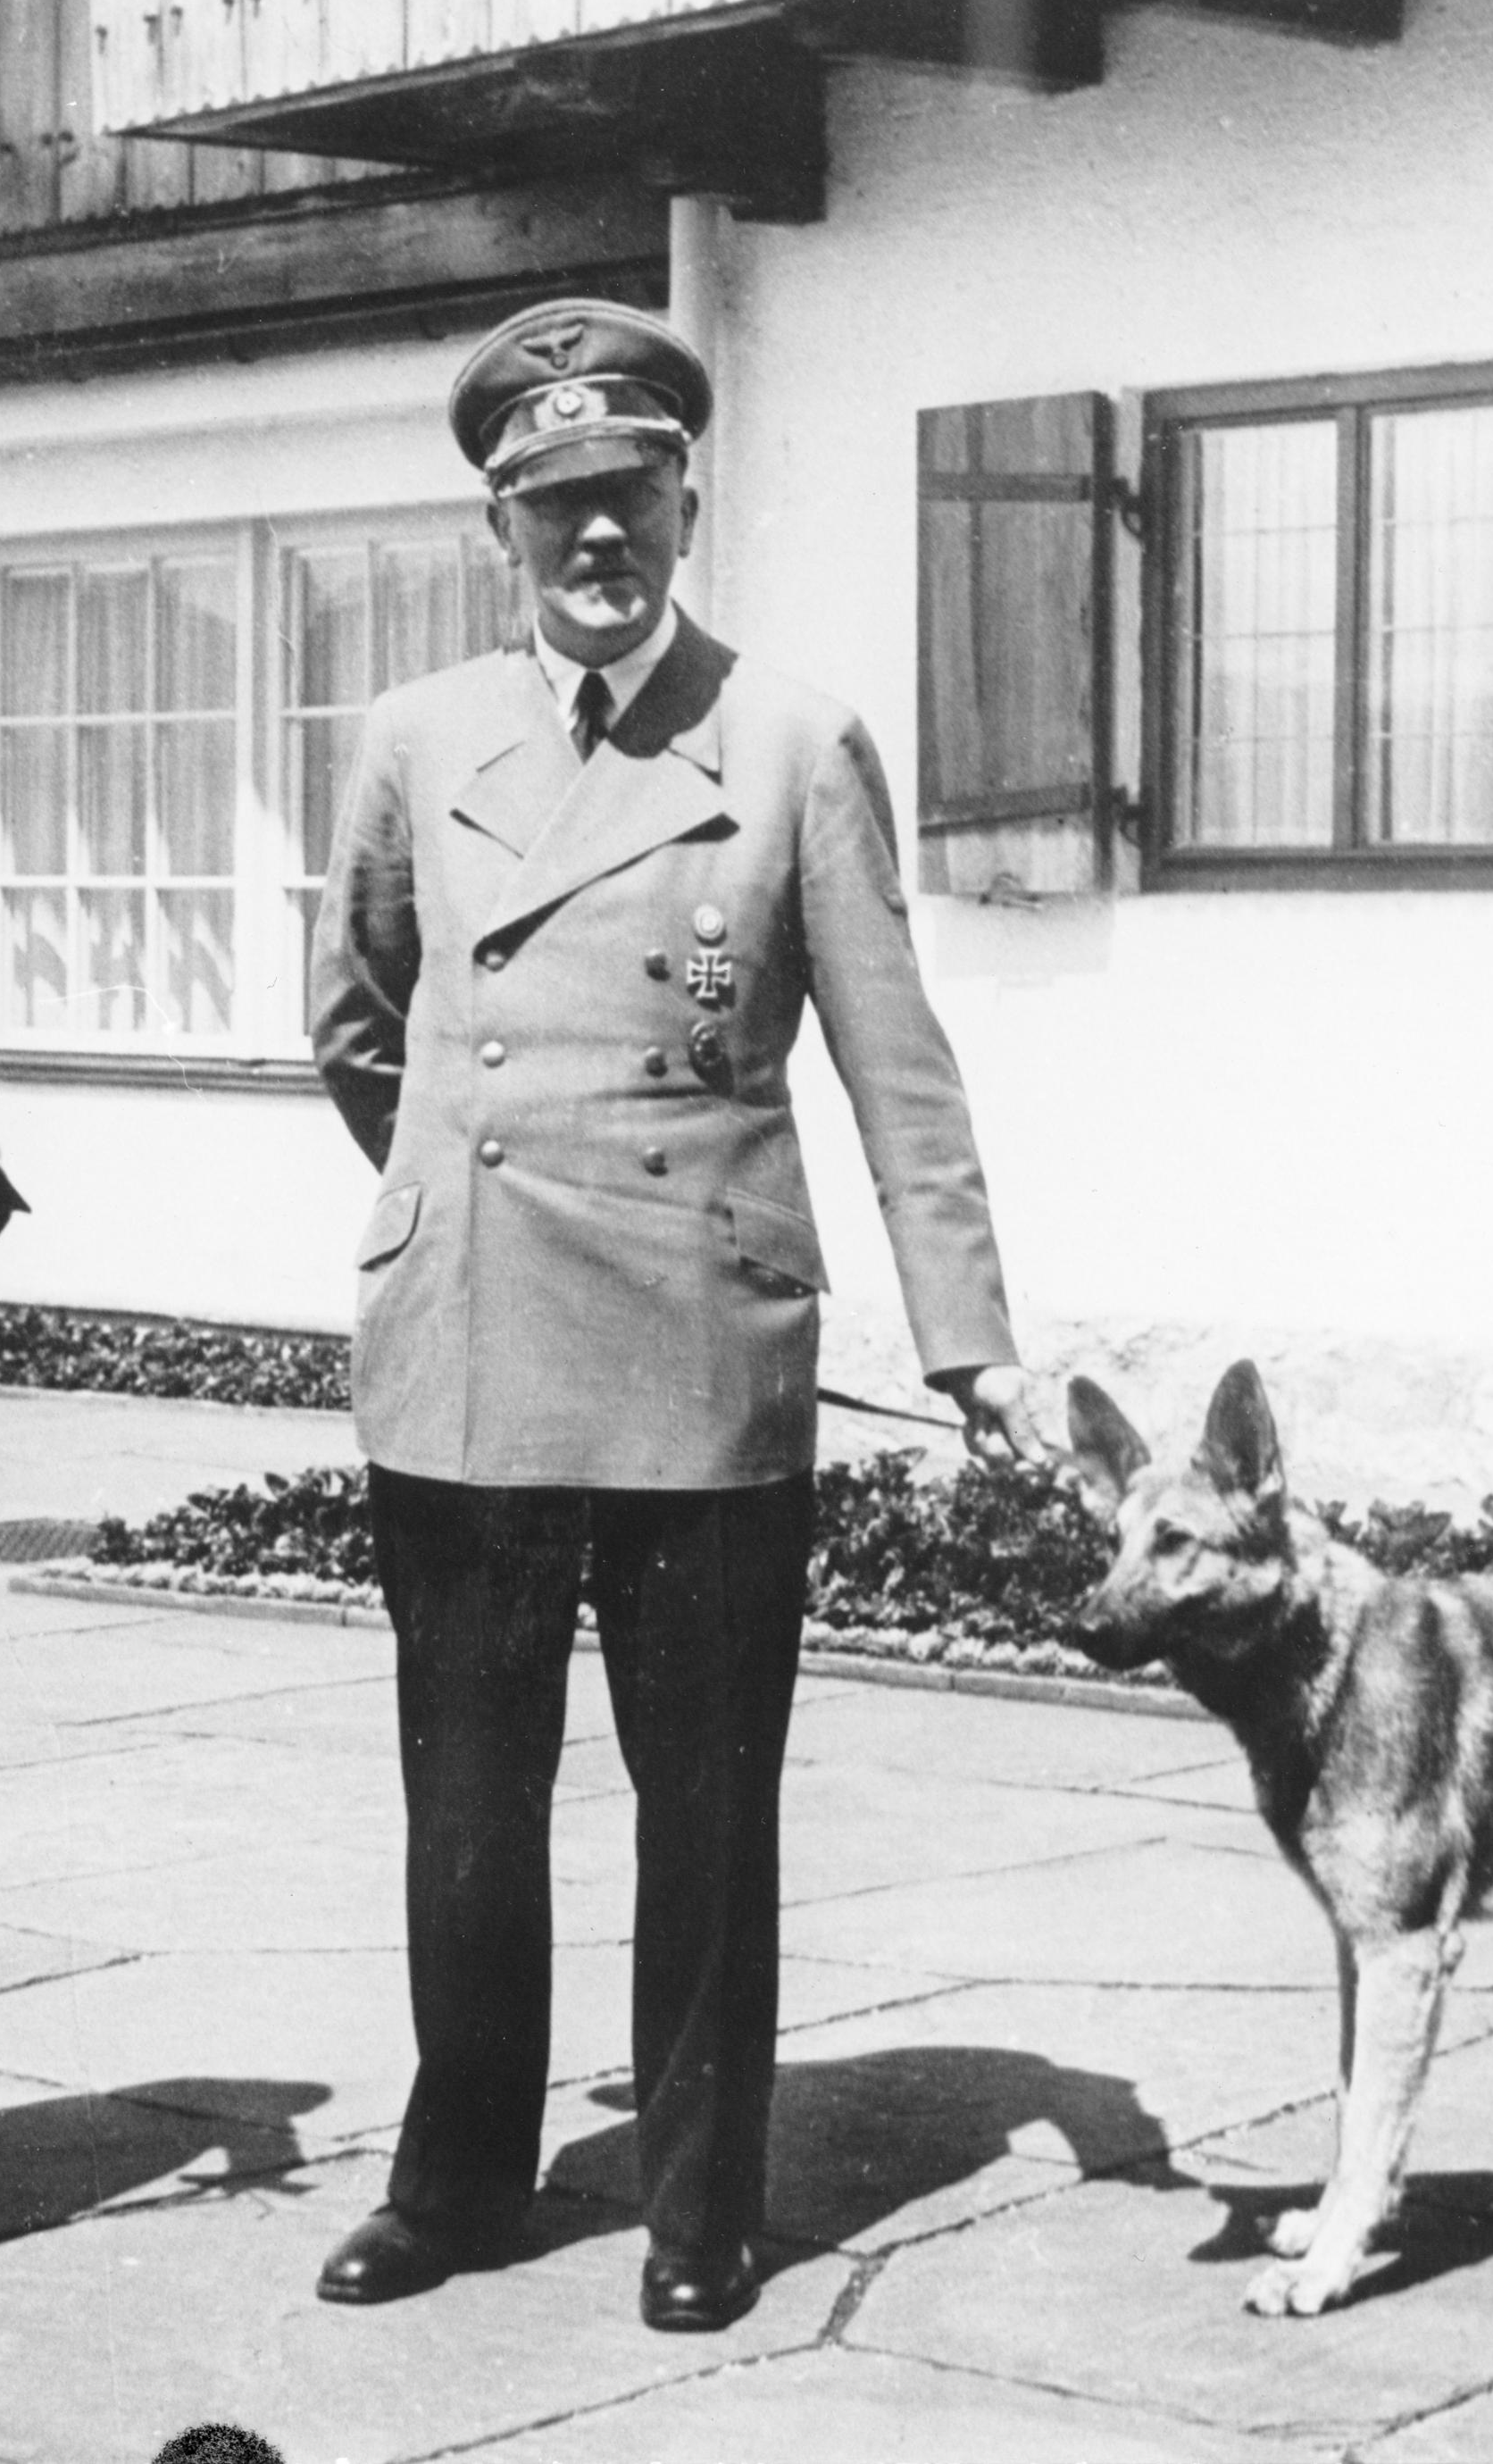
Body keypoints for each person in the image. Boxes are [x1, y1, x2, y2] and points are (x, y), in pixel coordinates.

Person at [307, 297, 1047, 2334]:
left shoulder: (792, 739)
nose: (594, 536)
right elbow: (357, 1023)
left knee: (703, 1802)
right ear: (498, 527)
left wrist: (966, 1336)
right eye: (552, 504)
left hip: (699, 1345)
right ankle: (456, 2175)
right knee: (465, 1806)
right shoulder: (414, 739)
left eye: (627, 493)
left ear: (684, 498)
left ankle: (701, 2199)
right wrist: (463, 1181)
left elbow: (896, 1061)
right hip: (465, 1338)